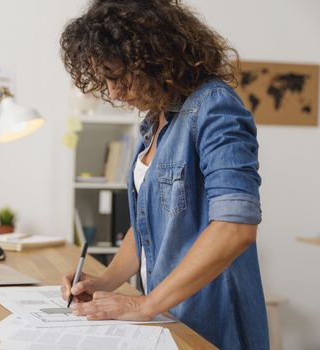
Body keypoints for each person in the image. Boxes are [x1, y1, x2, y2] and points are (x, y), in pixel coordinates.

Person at [59, 1, 269, 349]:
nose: (112, 92)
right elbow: (147, 230)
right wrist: (104, 282)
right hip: (169, 318)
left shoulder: (214, 105)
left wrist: (144, 304)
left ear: (154, 57)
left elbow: (236, 227)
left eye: (117, 76)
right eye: (105, 80)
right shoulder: (153, 125)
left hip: (211, 324)